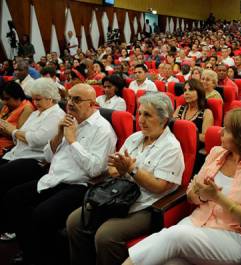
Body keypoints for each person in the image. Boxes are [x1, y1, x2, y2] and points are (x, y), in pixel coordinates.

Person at [124, 107, 241, 265]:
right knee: (171, 261)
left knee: (173, 236)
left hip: (231, 235)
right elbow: (191, 194)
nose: (220, 132)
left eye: (227, 130)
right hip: (196, 222)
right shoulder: (216, 153)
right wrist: (201, 195)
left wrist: (217, 198)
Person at [1, 84, 117, 265]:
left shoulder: (103, 129)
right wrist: (59, 135)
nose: (70, 103)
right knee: (13, 198)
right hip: (54, 178)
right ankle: (30, 253)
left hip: (80, 185)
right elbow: (47, 156)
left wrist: (72, 141)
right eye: (69, 98)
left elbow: (95, 170)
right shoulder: (69, 120)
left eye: (77, 100)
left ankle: (47, 258)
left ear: (92, 104)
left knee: (41, 214)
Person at [67, 92, 185, 265]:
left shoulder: (171, 147)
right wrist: (119, 170)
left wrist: (131, 169)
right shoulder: (135, 138)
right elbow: (113, 167)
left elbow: (159, 187)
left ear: (163, 119)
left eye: (147, 115)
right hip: (119, 195)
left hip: (147, 205)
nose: (141, 120)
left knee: (105, 235)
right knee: (74, 222)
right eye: (139, 113)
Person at [0, 78, 65, 239]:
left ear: (50, 97)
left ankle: (9, 225)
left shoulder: (56, 114)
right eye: (33, 98)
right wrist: (18, 134)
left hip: (35, 160)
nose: (35, 103)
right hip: (18, 153)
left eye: (38, 99)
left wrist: (13, 132)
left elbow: (37, 140)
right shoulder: (37, 113)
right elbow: (23, 135)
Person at [174, 79, 214, 143]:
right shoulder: (179, 108)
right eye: (185, 90)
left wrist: (184, 131)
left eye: (191, 90)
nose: (186, 93)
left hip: (193, 148)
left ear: (199, 92)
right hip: (176, 144)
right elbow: (172, 128)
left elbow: (205, 138)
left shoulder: (206, 113)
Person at [0, 82, 34, 157]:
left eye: (7, 99)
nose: (4, 102)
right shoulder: (8, 106)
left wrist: (4, 129)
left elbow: (19, 137)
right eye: (3, 99)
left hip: (7, 148)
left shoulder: (27, 109)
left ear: (17, 96)